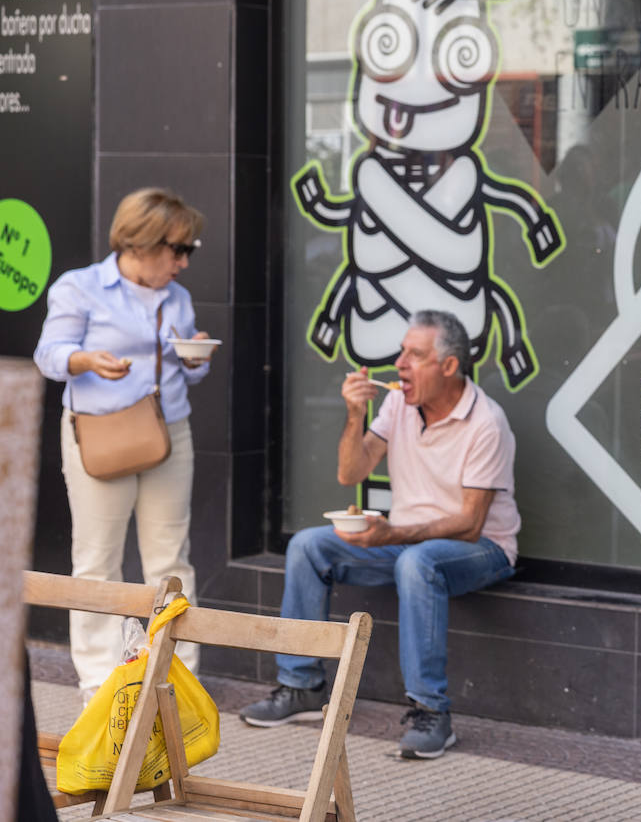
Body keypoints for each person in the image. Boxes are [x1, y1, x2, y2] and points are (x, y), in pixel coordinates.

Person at [239, 309, 519, 759]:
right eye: (402, 351)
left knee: (417, 561)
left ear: (449, 366)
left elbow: (471, 521)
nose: (400, 363)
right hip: (407, 542)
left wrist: (392, 535)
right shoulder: (398, 404)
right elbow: (351, 471)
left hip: (481, 549)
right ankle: (302, 685)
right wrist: (354, 414)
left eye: (415, 354)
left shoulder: (486, 421)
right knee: (308, 546)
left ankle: (432, 713)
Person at [33, 187, 210, 701]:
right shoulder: (82, 287)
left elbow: (186, 368)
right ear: (140, 243)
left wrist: (195, 360)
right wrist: (86, 361)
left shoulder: (177, 297)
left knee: (171, 560)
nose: (183, 262)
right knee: (97, 562)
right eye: (178, 250)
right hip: (101, 433)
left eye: (188, 251)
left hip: (168, 429)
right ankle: (99, 687)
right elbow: (50, 353)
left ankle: (178, 682)